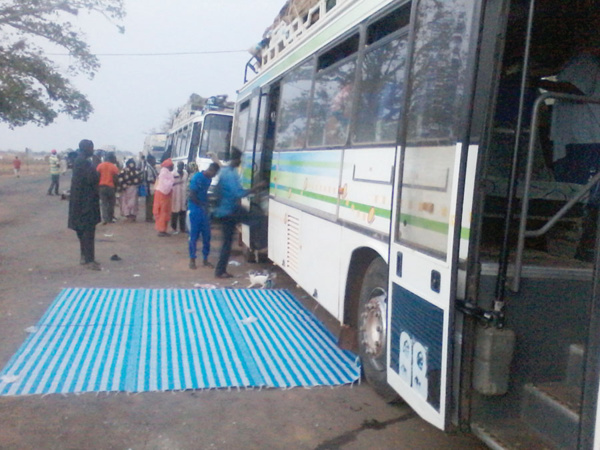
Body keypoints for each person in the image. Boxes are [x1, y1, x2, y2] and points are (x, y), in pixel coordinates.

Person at [545, 47, 600, 262]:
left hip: (584, 140)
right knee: (573, 197)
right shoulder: (578, 62)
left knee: (578, 199)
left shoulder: (585, 61)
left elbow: (574, 90)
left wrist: (535, 83)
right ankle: (578, 251)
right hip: (575, 140)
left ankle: (578, 253)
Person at [213, 147, 266, 278]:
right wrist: (256, 188)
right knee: (258, 219)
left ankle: (220, 270)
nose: (240, 162)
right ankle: (220, 271)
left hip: (226, 211)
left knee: (227, 241)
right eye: (240, 160)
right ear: (236, 159)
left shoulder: (225, 171)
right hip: (229, 212)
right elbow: (238, 193)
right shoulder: (231, 174)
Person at [68, 139, 101, 270]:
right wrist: (96, 167)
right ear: (86, 148)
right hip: (85, 204)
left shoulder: (79, 161)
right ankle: (89, 259)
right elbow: (91, 179)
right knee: (87, 231)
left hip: (81, 202)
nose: (93, 150)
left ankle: (85, 257)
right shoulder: (83, 162)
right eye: (91, 147)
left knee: (83, 231)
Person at [188, 163, 220, 269]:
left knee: (207, 236)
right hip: (195, 209)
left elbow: (204, 193)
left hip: (204, 210)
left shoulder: (208, 180)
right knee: (194, 236)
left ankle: (205, 259)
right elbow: (192, 195)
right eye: (214, 174)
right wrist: (202, 204)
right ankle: (192, 260)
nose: (214, 176)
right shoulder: (197, 177)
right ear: (210, 170)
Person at [153, 158, 175, 237]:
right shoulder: (164, 174)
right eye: (172, 166)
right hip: (163, 195)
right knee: (162, 213)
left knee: (165, 212)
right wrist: (172, 182)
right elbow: (165, 186)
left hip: (165, 195)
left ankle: (163, 229)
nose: (173, 167)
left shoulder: (166, 173)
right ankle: (161, 230)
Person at [96, 152, 119, 224]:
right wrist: (116, 188)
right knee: (111, 203)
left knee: (104, 203)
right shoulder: (114, 167)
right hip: (111, 186)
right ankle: (110, 217)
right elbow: (116, 178)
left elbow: (97, 177)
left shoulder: (100, 166)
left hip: (101, 186)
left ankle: (105, 218)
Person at [117, 158, 142, 222]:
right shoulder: (136, 171)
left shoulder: (124, 171)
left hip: (126, 188)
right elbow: (139, 180)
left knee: (126, 201)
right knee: (133, 201)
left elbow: (120, 179)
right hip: (133, 188)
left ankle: (128, 215)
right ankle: (132, 215)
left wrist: (121, 187)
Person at [170, 161, 188, 234]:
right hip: (175, 195)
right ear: (177, 166)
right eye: (179, 165)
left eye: (182, 166)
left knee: (183, 212)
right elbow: (170, 183)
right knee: (174, 212)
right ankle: (173, 228)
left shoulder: (185, 173)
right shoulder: (173, 174)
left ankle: (182, 228)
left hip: (183, 194)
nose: (181, 167)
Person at [142, 154, 158, 222]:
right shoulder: (148, 168)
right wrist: (156, 180)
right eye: (154, 160)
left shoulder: (150, 167)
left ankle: (149, 216)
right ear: (151, 160)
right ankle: (149, 217)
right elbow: (149, 179)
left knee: (150, 202)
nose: (155, 161)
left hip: (150, 187)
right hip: (150, 187)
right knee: (150, 203)